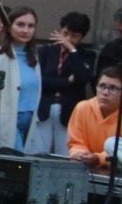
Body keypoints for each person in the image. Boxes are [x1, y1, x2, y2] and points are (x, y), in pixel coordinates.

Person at [25, 10, 95, 155]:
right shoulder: (45, 51)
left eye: (74, 36)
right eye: (65, 33)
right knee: (37, 154)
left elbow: (82, 78)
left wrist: (71, 50)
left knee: (65, 155)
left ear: (82, 38)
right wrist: (67, 81)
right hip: (44, 109)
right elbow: (39, 80)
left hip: (68, 113)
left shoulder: (86, 56)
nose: (67, 39)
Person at [0, 6, 40, 150]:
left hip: (30, 124)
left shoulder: (33, 57)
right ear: (9, 26)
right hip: (5, 122)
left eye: (30, 26)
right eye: (20, 25)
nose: (25, 30)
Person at [67, 66, 122, 169]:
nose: (105, 92)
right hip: (84, 166)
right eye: (102, 86)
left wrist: (98, 158)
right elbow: (76, 142)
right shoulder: (83, 108)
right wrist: (81, 154)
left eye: (113, 88)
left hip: (118, 172)